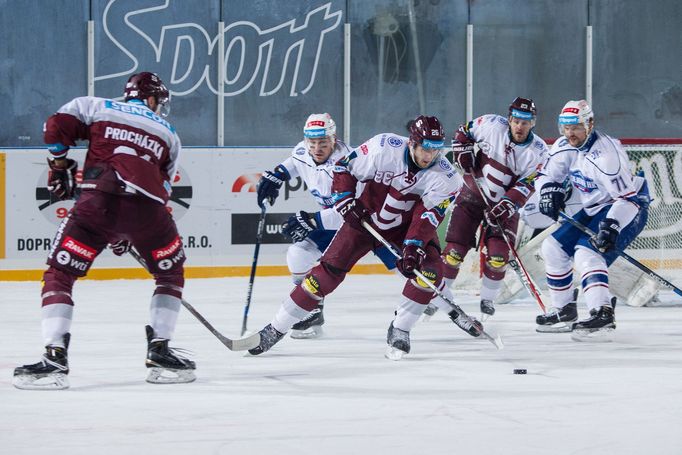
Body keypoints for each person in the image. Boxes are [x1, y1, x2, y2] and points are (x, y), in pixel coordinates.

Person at [13, 72, 195, 389]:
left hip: (97, 204)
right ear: (152, 100)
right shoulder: (169, 134)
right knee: (170, 273)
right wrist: (128, 233)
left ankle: (55, 357)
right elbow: (163, 189)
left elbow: (54, 127)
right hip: (149, 215)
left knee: (59, 274)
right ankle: (160, 349)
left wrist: (59, 164)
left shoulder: (96, 106)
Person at [248, 115, 475, 360]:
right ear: (412, 142)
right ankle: (275, 329)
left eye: (436, 149)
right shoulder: (383, 147)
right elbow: (342, 168)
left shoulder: (448, 177)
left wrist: (413, 246)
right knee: (319, 277)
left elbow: (428, 216)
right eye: (425, 149)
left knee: (427, 271)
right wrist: (344, 199)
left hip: (401, 230)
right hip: (361, 220)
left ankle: (401, 328)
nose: (430, 156)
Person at [256, 113, 396, 338]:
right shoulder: (302, 151)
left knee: (405, 268)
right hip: (334, 221)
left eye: (323, 143)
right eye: (312, 143)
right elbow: (292, 164)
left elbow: (353, 211)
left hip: (369, 223)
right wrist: (275, 178)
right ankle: (312, 309)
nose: (317, 148)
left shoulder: (349, 161)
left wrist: (312, 220)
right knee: (298, 254)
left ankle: (437, 299)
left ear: (334, 139)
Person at [534, 100, 650, 337]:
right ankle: (564, 309)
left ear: (590, 124)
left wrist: (612, 226)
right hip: (594, 207)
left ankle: (602, 313)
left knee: (587, 253)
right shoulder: (565, 145)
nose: (569, 133)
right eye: (565, 128)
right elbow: (546, 175)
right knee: (552, 247)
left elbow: (627, 199)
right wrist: (547, 190)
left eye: (575, 127)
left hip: (628, 206)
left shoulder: (606, 156)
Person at [439, 97, 548, 318]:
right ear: (509, 119)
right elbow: (463, 132)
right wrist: (462, 151)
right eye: (516, 120)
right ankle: (441, 293)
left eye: (525, 122)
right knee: (454, 253)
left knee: (499, 257)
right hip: (471, 197)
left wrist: (507, 205)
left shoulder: (539, 151)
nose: (520, 126)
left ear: (533, 123)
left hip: (504, 207)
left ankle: (487, 300)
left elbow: (528, 184)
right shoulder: (490, 125)